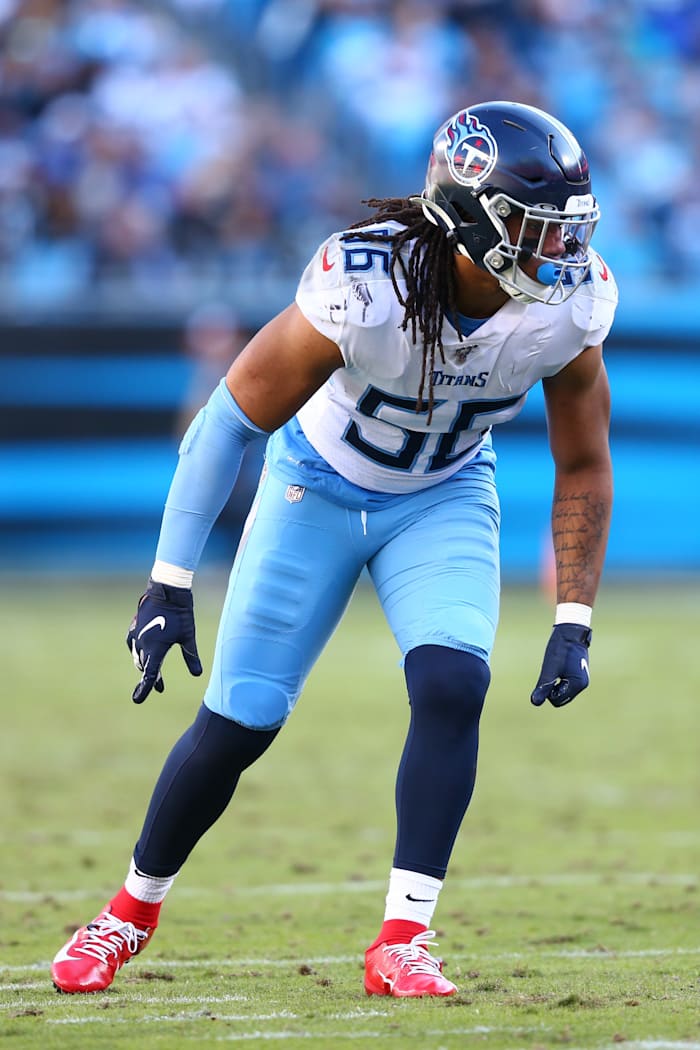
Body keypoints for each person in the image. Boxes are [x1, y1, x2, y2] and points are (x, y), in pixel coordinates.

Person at [51, 101, 616, 999]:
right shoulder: (366, 280)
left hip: (443, 494)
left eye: (568, 228)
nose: (559, 250)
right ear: (472, 215)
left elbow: (583, 461)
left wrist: (574, 618)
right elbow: (226, 421)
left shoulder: (569, 305)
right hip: (313, 488)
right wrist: (168, 582)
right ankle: (127, 912)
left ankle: (404, 937)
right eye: (535, 226)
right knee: (239, 723)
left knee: (452, 682)